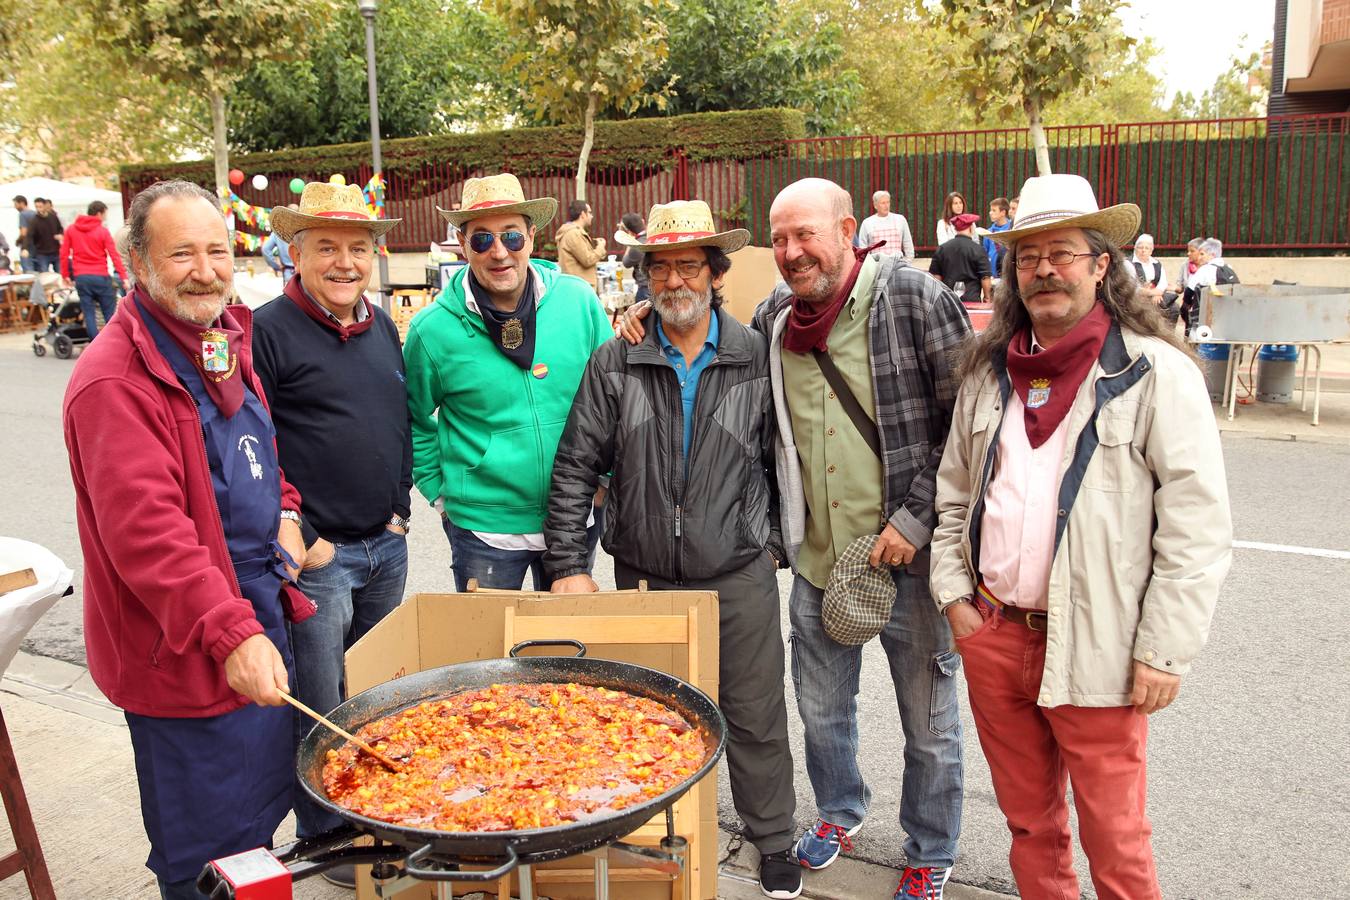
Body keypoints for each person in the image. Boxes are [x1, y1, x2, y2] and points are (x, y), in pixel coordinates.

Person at [618, 177, 971, 899]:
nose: (791, 251)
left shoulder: (913, 298)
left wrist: (915, 518)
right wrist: (643, 315)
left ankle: (931, 850)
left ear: (848, 230)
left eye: (805, 234)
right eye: (780, 239)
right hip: (817, 559)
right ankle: (840, 812)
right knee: (820, 713)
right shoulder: (775, 317)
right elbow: (696, 337)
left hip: (909, 556)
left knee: (929, 727)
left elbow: (969, 429)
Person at [930, 173, 1232, 900]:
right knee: (1032, 828)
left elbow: (1197, 528)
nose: (1043, 270)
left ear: (1102, 264)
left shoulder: (1155, 374)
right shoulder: (987, 373)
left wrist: (1164, 650)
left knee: (1115, 841)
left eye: (1062, 253)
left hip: (1098, 645)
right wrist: (955, 600)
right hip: (996, 634)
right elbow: (953, 498)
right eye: (1028, 257)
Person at [545, 199, 802, 900]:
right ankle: (650, 835)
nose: (675, 280)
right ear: (646, 277)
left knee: (754, 712)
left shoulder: (755, 354)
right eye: (661, 267)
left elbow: (787, 458)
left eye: (690, 264)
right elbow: (575, 465)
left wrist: (771, 540)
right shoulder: (617, 357)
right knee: (647, 717)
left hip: (738, 571)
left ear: (716, 273)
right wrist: (569, 566)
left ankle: (774, 839)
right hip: (643, 574)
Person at [62, 180, 310, 900]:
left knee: (258, 830)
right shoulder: (113, 381)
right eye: (181, 254)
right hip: (186, 647)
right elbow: (148, 535)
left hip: (254, 613)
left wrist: (287, 512)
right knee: (208, 857)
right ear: (137, 263)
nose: (205, 270)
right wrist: (231, 633)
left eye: (217, 251)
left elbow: (261, 457)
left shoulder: (221, 342)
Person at [250, 182, 411, 881]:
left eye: (357, 247)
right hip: (322, 558)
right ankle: (324, 836)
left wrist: (400, 502)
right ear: (296, 252)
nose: (344, 262)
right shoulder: (265, 330)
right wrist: (304, 530)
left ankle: (371, 816)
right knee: (320, 704)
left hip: (387, 546)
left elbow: (394, 416)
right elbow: (250, 444)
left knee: (375, 696)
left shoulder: (381, 325)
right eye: (327, 248)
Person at [404, 173, 611, 591]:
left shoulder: (578, 303)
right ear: (462, 245)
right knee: (488, 652)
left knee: (568, 649)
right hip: (485, 529)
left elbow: (614, 395)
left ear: (532, 238)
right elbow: (411, 416)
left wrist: (605, 479)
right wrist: (441, 493)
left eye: (511, 237)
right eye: (481, 239)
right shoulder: (432, 330)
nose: (499, 252)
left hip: (572, 518)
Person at [60, 200, 129, 340]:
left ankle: (95, 342)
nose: (104, 218)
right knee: (109, 312)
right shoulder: (102, 231)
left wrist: (65, 275)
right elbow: (114, 255)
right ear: (99, 213)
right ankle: (113, 342)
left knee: (88, 312)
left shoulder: (71, 230)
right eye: (104, 214)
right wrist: (123, 277)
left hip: (81, 276)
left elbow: (64, 254)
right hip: (100, 275)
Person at [929, 212, 992, 304]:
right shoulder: (978, 249)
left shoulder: (942, 249)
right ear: (971, 228)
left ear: (955, 229)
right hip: (972, 300)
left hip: (947, 301)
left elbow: (936, 277)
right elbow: (985, 277)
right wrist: (987, 298)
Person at [555, 199, 607, 292]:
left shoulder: (574, 232)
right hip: (579, 287)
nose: (592, 216)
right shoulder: (573, 233)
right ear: (583, 214)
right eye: (590, 212)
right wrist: (601, 247)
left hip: (578, 286)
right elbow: (587, 260)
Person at [858, 190, 915, 261]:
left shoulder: (900, 220)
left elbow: (908, 243)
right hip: (877, 265)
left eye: (888, 202)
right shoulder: (867, 223)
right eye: (883, 203)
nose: (886, 205)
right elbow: (863, 248)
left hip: (897, 264)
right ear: (875, 205)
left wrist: (908, 261)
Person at [1130, 233, 1174, 320]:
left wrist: (1157, 294)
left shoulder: (1156, 264)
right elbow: (1132, 286)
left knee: (1173, 309)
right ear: (1135, 248)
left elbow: (1163, 283)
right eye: (1140, 247)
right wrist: (1151, 293)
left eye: (1147, 248)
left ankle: (1167, 333)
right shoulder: (1129, 263)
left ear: (1151, 250)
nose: (1143, 250)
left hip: (1156, 296)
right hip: (1137, 297)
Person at [616, 211, 650, 302]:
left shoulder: (637, 245)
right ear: (642, 221)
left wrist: (629, 239)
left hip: (645, 289)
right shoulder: (651, 238)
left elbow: (626, 262)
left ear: (629, 231)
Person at [259, 205, 298, 283]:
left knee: (289, 294)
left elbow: (265, 249)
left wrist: (276, 266)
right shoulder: (304, 231)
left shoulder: (278, 232)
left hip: (288, 273)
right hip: (304, 272)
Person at [28, 198, 64, 274]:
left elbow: (60, 228)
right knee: (44, 275)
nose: (38, 209)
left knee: (60, 273)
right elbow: (29, 235)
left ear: (45, 206)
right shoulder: (34, 220)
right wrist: (25, 248)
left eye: (40, 206)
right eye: (36, 207)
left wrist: (60, 235)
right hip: (42, 253)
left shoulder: (53, 217)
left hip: (55, 251)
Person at [982, 197, 1012, 274]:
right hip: (993, 275)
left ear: (1003, 213)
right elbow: (985, 254)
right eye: (990, 210)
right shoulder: (988, 232)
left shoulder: (1011, 229)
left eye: (994, 210)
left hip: (1008, 273)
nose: (990, 213)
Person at [13, 195, 36, 263]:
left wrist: (18, 240)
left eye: (16, 204)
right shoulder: (35, 213)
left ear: (22, 203)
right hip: (37, 245)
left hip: (27, 246)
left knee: (28, 269)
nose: (15, 207)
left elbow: (23, 233)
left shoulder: (23, 214)